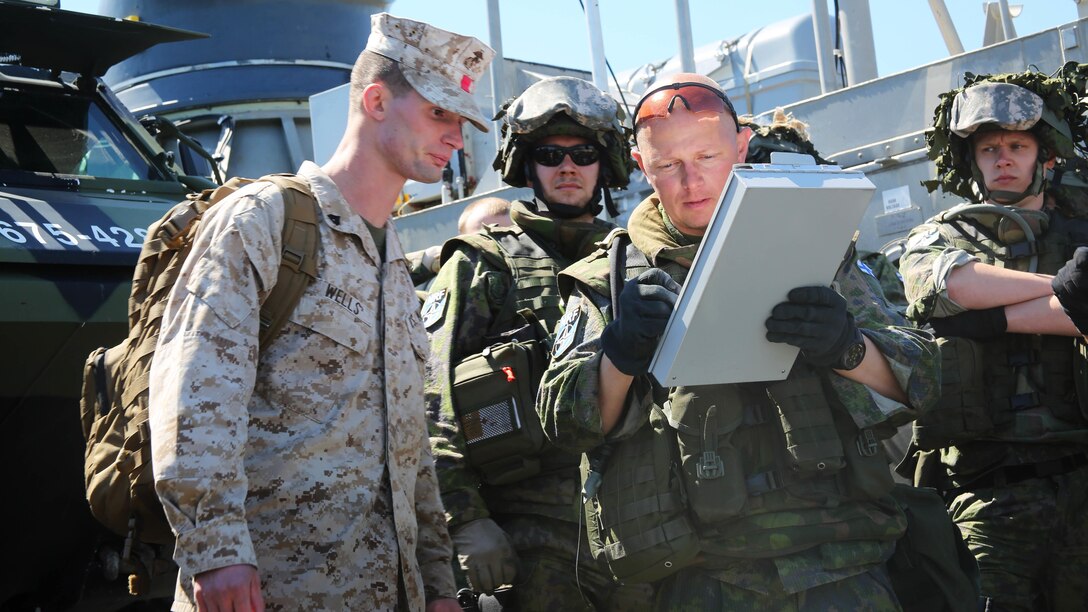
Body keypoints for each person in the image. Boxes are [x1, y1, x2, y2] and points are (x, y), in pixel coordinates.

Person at [537, 73, 941, 610]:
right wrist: (620, 354)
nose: (690, 181)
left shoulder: (818, 247)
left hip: (843, 566)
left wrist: (849, 348)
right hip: (701, 579)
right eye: (667, 166)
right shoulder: (610, 279)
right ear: (641, 167)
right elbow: (562, 422)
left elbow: (928, 376)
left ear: (742, 147)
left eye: (706, 156)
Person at [147, 13, 494, 612]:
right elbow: (194, 389)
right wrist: (217, 550)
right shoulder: (267, 222)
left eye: (460, 120)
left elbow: (412, 452)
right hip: (270, 590)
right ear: (377, 100)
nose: (457, 137)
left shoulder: (395, 272)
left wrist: (437, 584)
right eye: (440, 113)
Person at [422, 76, 651, 610]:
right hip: (531, 540)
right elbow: (431, 402)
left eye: (583, 153)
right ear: (528, 165)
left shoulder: (636, 262)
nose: (567, 167)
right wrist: (466, 518)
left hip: (638, 532)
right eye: (549, 154)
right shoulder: (483, 264)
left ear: (605, 164)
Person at [898, 65, 1088, 610]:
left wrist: (993, 319)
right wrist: (1063, 289)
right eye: (988, 149)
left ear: (1043, 156)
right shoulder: (939, 236)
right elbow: (951, 284)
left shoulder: (1078, 234)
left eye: (1016, 145)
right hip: (987, 493)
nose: (1002, 158)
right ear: (972, 161)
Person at [406, 197, 512, 287]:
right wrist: (433, 257)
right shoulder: (450, 288)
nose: (495, 248)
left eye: (506, 238)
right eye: (481, 240)